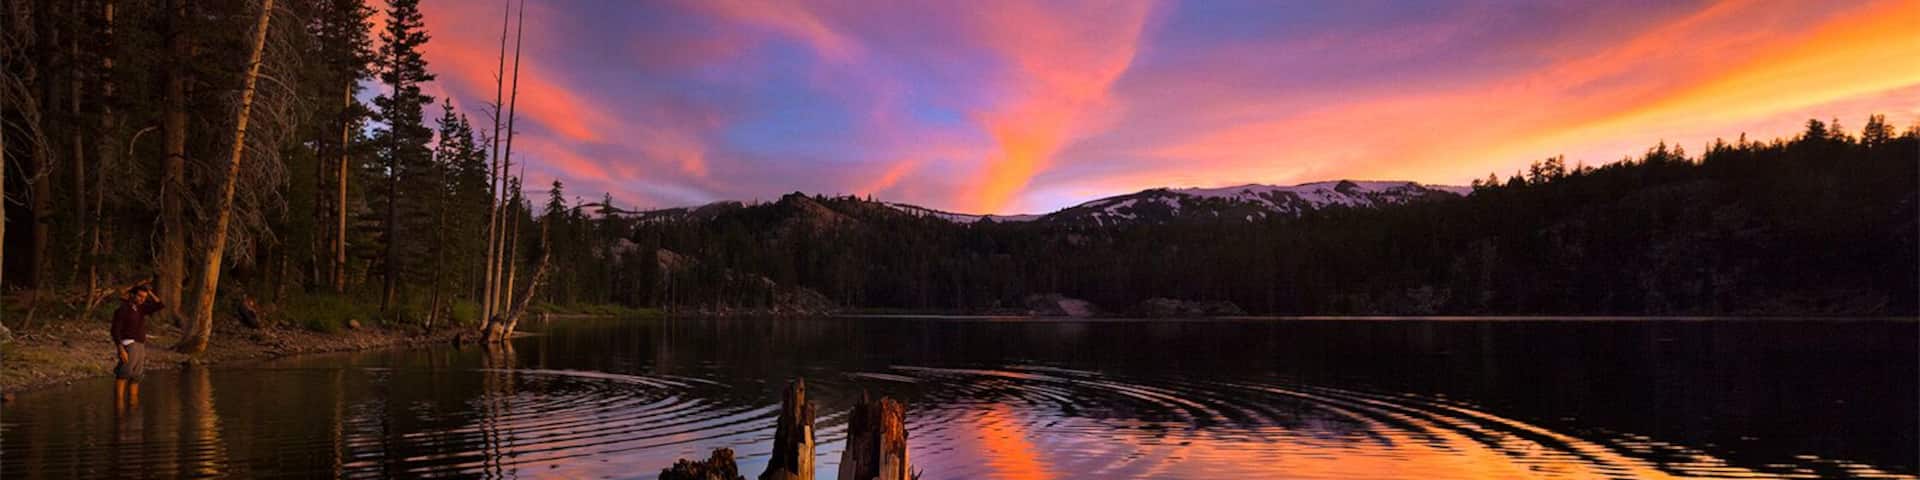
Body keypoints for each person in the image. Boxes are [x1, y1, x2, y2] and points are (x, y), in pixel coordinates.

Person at [111, 285, 165, 403]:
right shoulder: (123, 309)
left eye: (144, 297)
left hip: (140, 344)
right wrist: (121, 349)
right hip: (128, 344)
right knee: (124, 373)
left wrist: (150, 292)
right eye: (140, 296)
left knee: (137, 376)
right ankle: (119, 405)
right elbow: (115, 330)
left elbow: (160, 305)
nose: (142, 299)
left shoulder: (140, 309)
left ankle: (133, 404)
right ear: (132, 295)